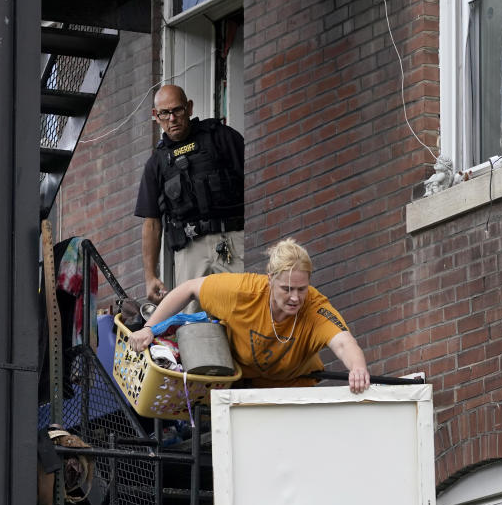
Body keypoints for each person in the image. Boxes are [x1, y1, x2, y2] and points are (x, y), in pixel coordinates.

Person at [128, 238, 371, 394]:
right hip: (244, 387)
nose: (295, 297)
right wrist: (149, 329)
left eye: (301, 289)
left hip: (296, 388)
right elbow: (188, 288)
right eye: (287, 289)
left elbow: (343, 342)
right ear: (270, 279)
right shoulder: (242, 292)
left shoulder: (315, 306)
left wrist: (358, 368)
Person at [134, 84, 245, 305]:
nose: (172, 118)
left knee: (246, 308)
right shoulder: (156, 163)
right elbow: (152, 224)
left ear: (190, 108)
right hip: (190, 249)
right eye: (165, 113)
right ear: (156, 116)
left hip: (232, 239)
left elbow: (255, 181)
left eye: (178, 110)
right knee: (193, 321)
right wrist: (150, 277)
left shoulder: (220, 137)